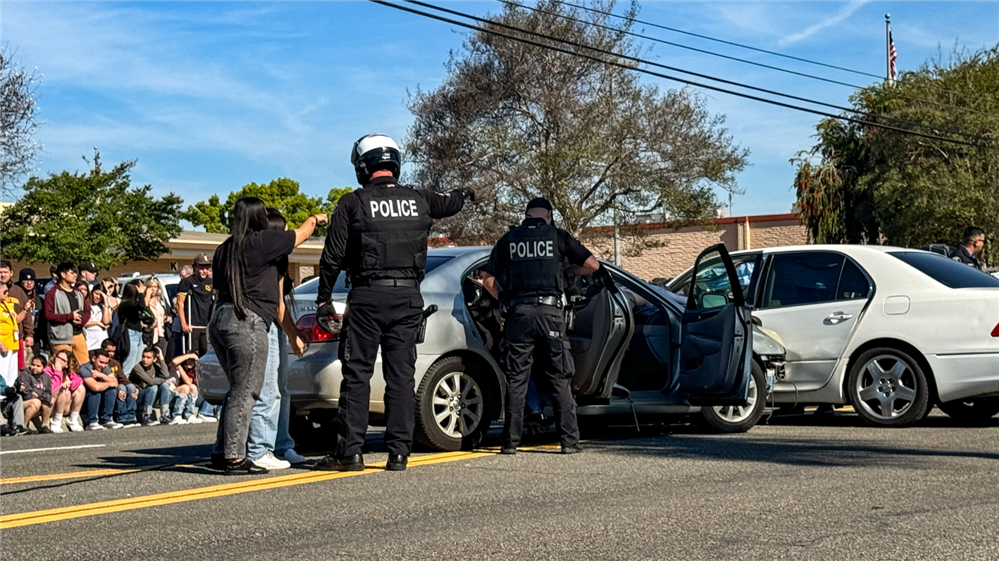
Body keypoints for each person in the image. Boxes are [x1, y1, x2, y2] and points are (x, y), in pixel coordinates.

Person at [314, 134, 471, 472]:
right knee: (401, 375)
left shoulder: (352, 203)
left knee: (357, 374)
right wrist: (464, 193)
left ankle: (350, 452)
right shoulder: (419, 199)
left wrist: (324, 298)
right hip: (408, 297)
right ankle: (399, 453)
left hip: (368, 297)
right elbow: (451, 202)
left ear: (362, 167)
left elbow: (332, 257)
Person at [209, 196, 325, 474]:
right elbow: (301, 235)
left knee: (235, 388)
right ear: (260, 217)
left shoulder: (224, 248)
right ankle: (236, 457)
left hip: (219, 318)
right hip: (246, 321)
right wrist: (316, 220)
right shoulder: (261, 242)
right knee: (247, 389)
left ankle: (221, 450)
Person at [480, 197, 600, 455]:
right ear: (548, 214)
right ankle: (569, 442)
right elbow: (593, 265)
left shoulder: (508, 240)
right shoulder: (557, 236)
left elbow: (487, 279)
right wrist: (569, 272)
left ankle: (510, 444)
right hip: (550, 314)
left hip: (519, 315)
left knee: (517, 380)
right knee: (559, 378)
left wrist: (506, 299)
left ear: (526, 214)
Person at [245, 208, 308, 471]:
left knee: (281, 389)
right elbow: (278, 305)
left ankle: (282, 443)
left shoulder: (275, 259)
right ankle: (261, 448)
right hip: (266, 326)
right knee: (268, 390)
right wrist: (294, 335)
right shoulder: (266, 258)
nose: (284, 235)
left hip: (272, 327)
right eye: (281, 230)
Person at [45, 262, 91, 366]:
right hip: (61, 337)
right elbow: (48, 314)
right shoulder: (52, 293)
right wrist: (70, 316)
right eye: (72, 273)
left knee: (85, 367)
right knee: (63, 367)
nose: (75, 275)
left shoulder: (78, 293)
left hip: (79, 335)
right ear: (63, 274)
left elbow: (87, 311)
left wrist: (81, 321)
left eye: (76, 273)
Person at [177, 254, 214, 357]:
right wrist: (184, 324)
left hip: (206, 325)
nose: (204, 271)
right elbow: (179, 303)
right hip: (192, 325)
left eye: (207, 268)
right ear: (195, 267)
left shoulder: (211, 283)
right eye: (202, 268)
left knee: (206, 353)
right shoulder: (187, 282)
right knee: (191, 354)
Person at [1, 261, 34, 371]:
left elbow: (26, 312)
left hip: (17, 338)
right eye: (0, 272)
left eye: (5, 272)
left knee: (16, 369)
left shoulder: (18, 291)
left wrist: (29, 334)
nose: (2, 275)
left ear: (11, 273)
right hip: (2, 339)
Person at [78, 350, 122, 430]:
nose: (104, 365)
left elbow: (115, 382)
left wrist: (101, 375)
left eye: (106, 363)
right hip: (85, 400)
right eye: (101, 362)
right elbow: (95, 387)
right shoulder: (84, 368)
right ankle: (91, 422)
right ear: (94, 359)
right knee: (95, 392)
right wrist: (109, 383)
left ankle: (106, 420)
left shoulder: (104, 368)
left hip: (99, 398)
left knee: (111, 390)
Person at [115, 282, 151, 377]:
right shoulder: (125, 305)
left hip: (138, 334)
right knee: (130, 362)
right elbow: (141, 306)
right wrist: (142, 293)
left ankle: (135, 384)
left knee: (138, 362)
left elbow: (144, 311)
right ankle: (126, 383)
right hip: (129, 334)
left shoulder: (134, 305)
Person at [129, 347, 172, 426]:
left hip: (151, 396)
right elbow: (150, 381)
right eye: (143, 357)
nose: (145, 360)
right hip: (138, 396)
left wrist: (161, 358)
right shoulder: (138, 368)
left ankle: (165, 414)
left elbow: (166, 375)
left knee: (164, 385)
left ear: (154, 359)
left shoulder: (155, 366)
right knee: (153, 387)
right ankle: (146, 415)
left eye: (148, 358)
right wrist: (163, 380)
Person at [45, 350, 86, 433]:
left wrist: (69, 383)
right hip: (50, 403)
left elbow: (79, 380)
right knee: (64, 389)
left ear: (67, 364)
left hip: (65, 405)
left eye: (63, 360)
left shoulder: (67, 372)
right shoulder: (47, 370)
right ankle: (56, 421)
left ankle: (73, 419)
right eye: (58, 358)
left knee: (81, 388)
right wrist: (58, 371)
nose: (59, 361)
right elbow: (52, 388)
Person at [103, 338, 138, 427]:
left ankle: (131, 417)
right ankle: (121, 417)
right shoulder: (101, 363)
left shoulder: (115, 363)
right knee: (121, 388)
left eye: (113, 351)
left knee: (130, 387)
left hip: (117, 384)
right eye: (109, 351)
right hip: (108, 386)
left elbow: (123, 378)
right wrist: (117, 390)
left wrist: (135, 388)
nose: (111, 354)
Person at [16, 357, 53, 433]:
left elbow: (48, 394)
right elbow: (27, 394)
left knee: (50, 400)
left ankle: (44, 425)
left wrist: (38, 394)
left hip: (38, 401)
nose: (34, 367)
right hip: (21, 404)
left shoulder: (47, 377)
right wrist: (41, 394)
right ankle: (23, 427)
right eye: (33, 365)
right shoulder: (24, 375)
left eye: (38, 366)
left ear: (44, 367)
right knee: (36, 402)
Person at [166, 351, 201, 424]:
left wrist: (180, 369)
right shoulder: (173, 366)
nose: (190, 362)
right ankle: (176, 415)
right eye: (188, 360)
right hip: (167, 394)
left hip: (176, 395)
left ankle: (189, 415)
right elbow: (174, 361)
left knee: (192, 387)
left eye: (193, 361)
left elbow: (189, 382)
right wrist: (189, 355)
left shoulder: (190, 371)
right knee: (185, 387)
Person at [0, 280, 20, 390]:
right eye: (5, 292)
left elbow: (16, 320)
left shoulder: (7, 304)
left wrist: (26, 310)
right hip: (3, 345)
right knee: (2, 373)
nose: (7, 294)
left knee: (12, 375)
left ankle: (10, 393)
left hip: (13, 343)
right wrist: (1, 344)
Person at [16, 268, 38, 365]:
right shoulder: (17, 296)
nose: (29, 283)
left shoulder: (39, 299)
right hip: (22, 336)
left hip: (36, 337)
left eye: (31, 281)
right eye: (26, 281)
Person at [145, 279, 169, 357]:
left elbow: (167, 312)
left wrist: (167, 318)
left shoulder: (161, 300)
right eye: (151, 286)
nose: (153, 289)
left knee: (162, 357)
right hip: (149, 334)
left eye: (155, 287)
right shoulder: (144, 301)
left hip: (161, 333)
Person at [83, 286, 112, 351]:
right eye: (96, 294)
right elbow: (82, 322)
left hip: (102, 343)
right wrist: (97, 323)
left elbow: (106, 322)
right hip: (90, 344)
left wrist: (106, 301)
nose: (98, 297)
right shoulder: (85, 305)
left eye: (101, 295)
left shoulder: (102, 307)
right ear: (92, 292)